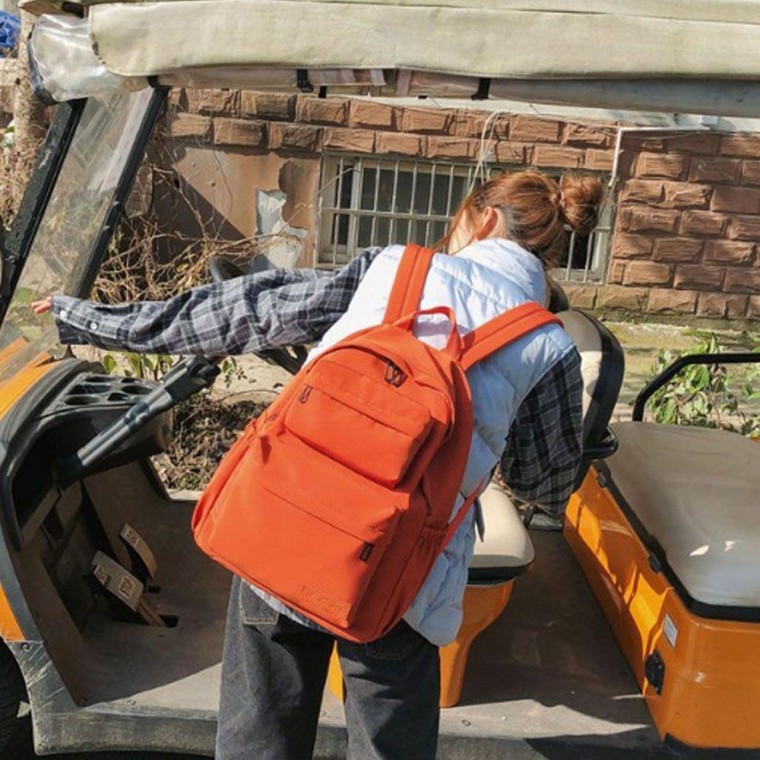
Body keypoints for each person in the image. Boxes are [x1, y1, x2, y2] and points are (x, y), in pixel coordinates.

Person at [33, 169, 602, 760]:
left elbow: (245, 313)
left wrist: (92, 320)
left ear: (481, 219)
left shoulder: (393, 266)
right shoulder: (550, 345)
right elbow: (545, 485)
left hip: (286, 531)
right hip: (404, 579)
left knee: (259, 737)